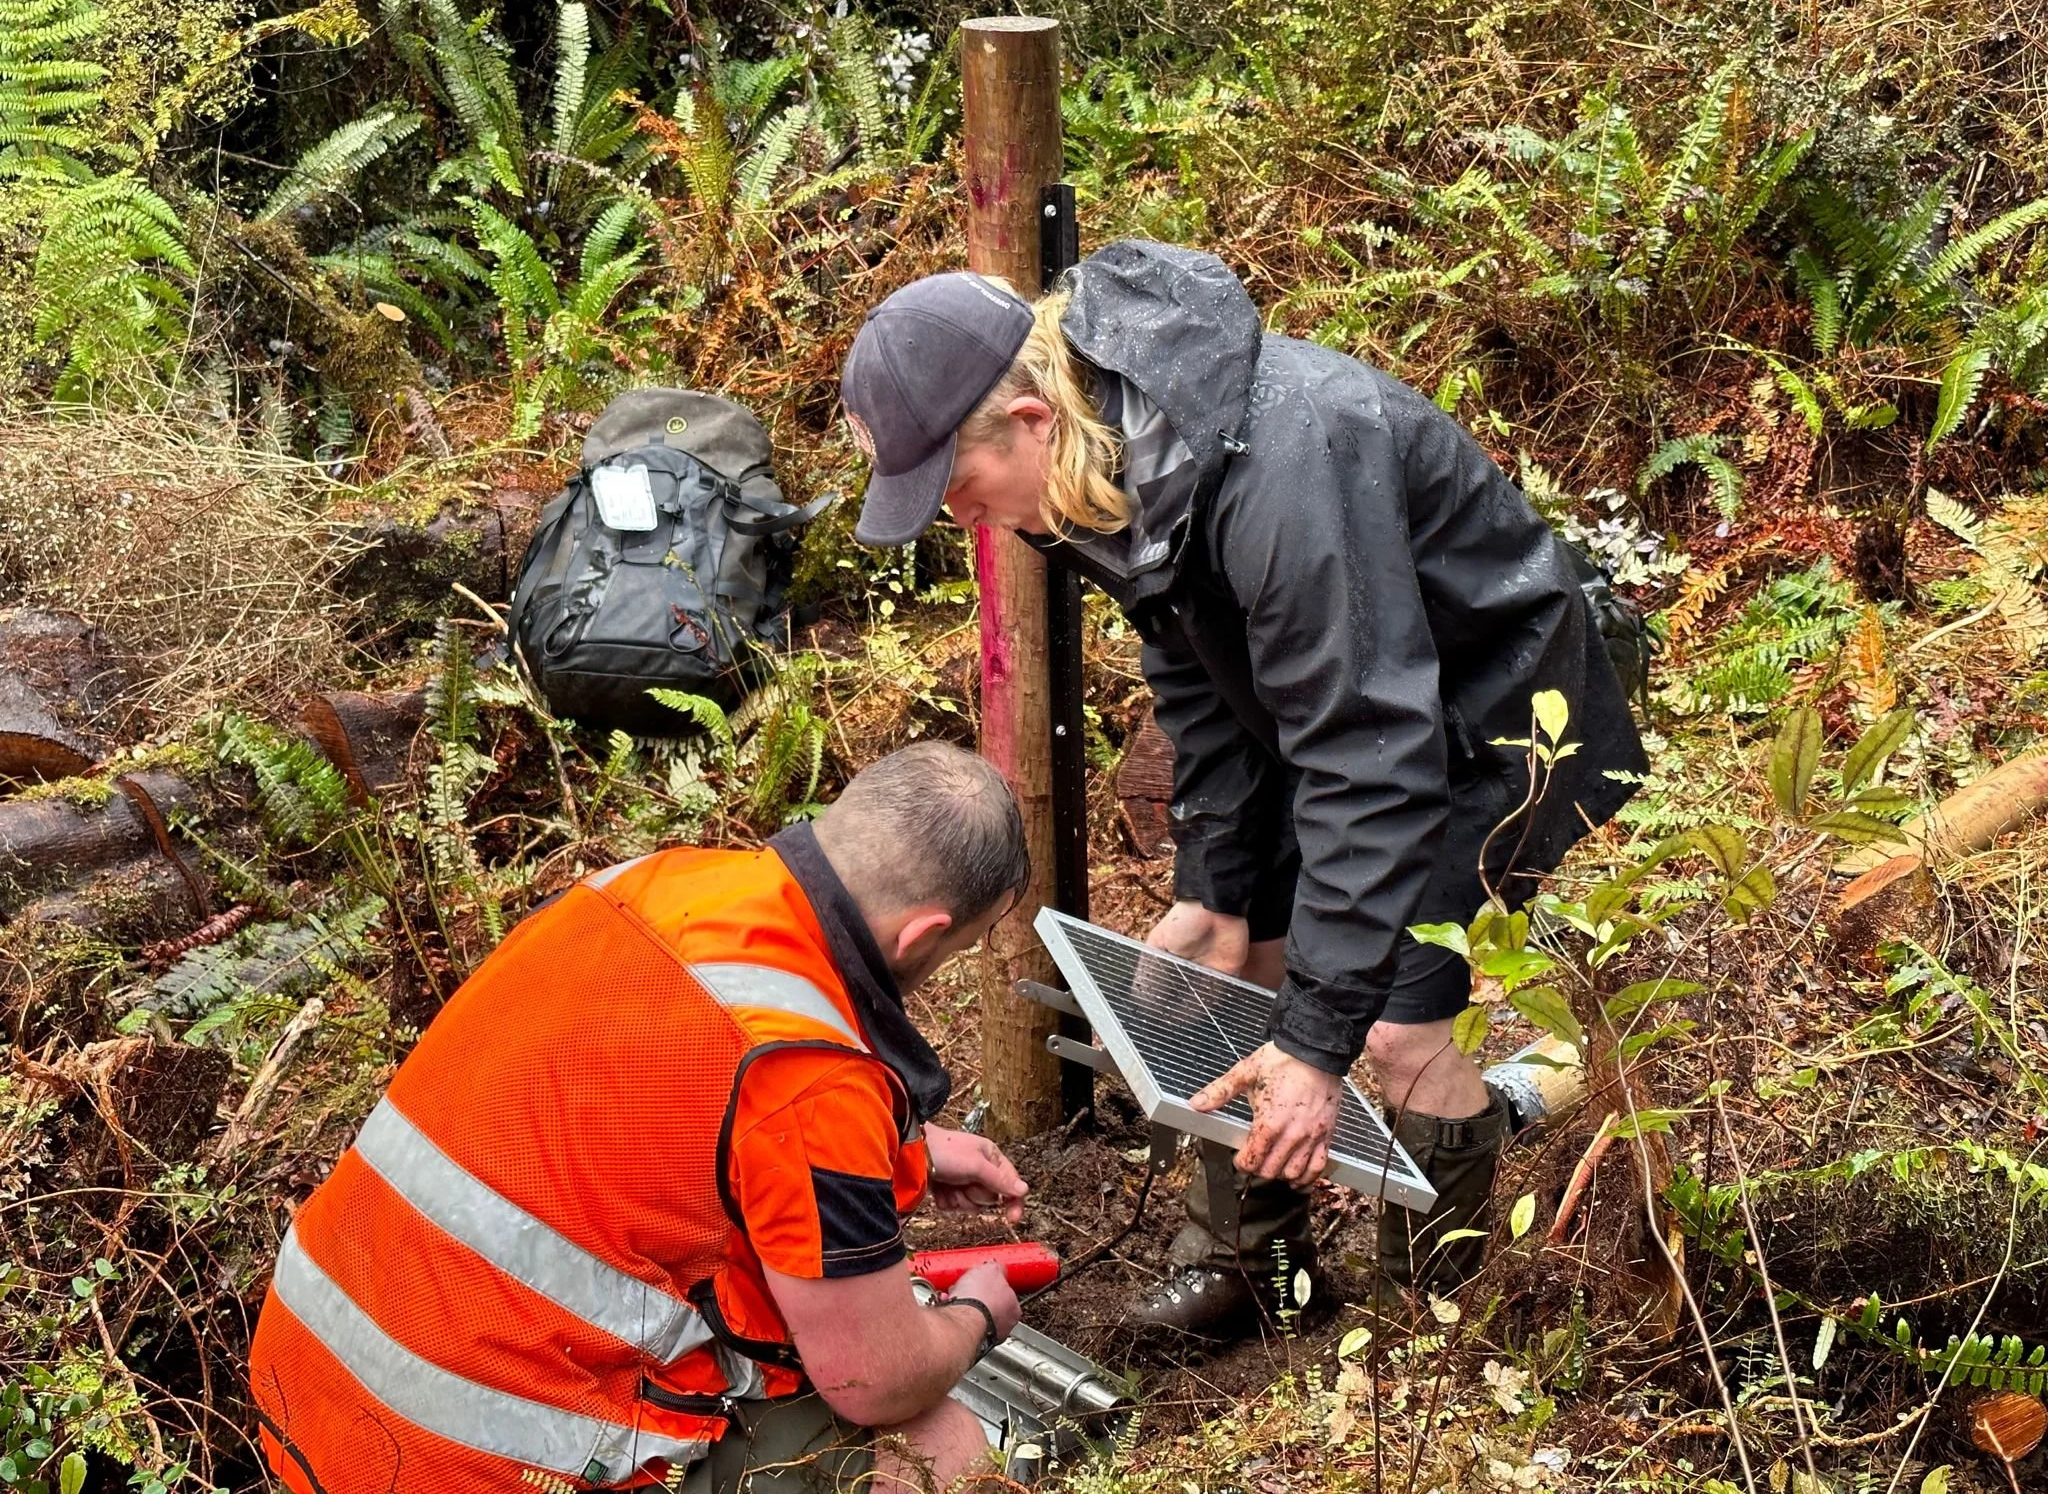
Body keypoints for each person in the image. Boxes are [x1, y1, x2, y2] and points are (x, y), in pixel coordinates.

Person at [841, 244, 1648, 1345]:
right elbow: (1198, 679)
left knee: (1400, 1032)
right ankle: (1256, 1268)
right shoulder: (1103, 462)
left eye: (962, 493)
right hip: (1336, 714)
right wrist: (1218, 888)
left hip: (1484, 727)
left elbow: (1372, 754)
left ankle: (1437, 1318)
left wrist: (1319, 1047)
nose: (969, 520)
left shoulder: (1283, 463)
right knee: (1237, 965)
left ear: (1027, 418)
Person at [248, 742, 1033, 1492]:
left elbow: (655, 1115)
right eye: (960, 948)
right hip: (474, 1463)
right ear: (925, 932)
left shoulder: (656, 884)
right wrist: (977, 1319)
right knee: (944, 1447)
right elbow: (875, 1381)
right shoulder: (812, 1079)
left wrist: (911, 1150)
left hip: (307, 1388)